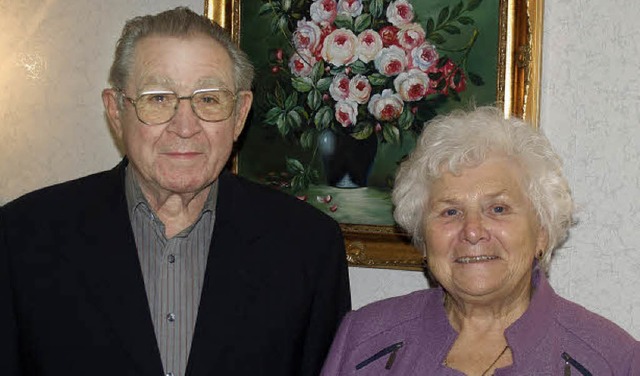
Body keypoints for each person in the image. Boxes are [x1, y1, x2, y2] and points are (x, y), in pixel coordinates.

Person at [0, 7, 350, 376]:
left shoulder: (308, 246)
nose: (185, 127)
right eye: (158, 98)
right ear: (116, 111)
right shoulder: (22, 237)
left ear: (240, 114)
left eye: (209, 99)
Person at [320, 106, 640, 375]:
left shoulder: (613, 361)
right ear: (422, 235)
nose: (472, 231)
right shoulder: (363, 339)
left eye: (498, 208)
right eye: (450, 212)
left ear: (541, 231)